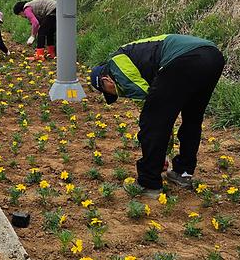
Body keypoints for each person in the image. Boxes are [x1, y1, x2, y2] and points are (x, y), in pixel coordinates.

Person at [89, 34, 225, 198]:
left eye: (110, 92)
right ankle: (183, 173)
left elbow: (152, 109)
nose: (119, 95)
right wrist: (164, 152)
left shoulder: (116, 63)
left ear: (106, 79)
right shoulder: (135, 60)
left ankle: (149, 183)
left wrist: (160, 156)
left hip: (185, 58)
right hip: (213, 56)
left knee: (151, 122)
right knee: (192, 118)